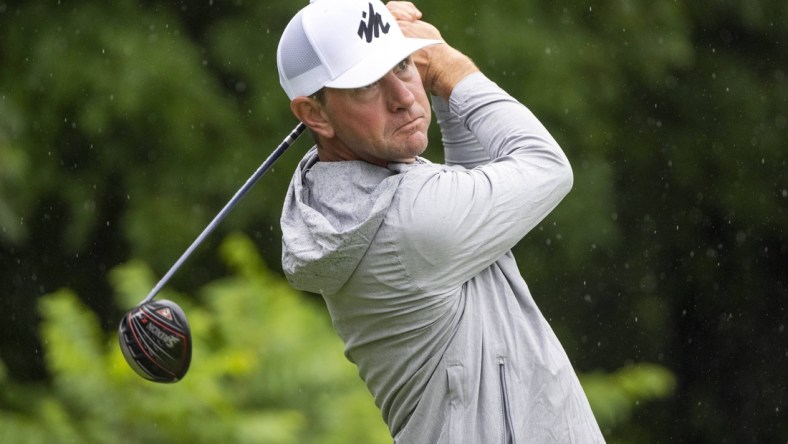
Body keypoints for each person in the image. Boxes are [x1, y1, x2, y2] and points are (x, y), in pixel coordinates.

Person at [277, 0, 605, 442]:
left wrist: (430, 74)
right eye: (367, 86)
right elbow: (546, 166)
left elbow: (476, 180)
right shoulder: (411, 222)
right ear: (314, 114)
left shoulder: (351, 197)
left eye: (404, 67)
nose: (404, 98)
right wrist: (444, 61)